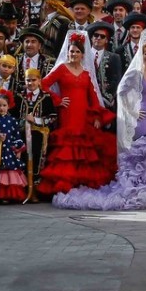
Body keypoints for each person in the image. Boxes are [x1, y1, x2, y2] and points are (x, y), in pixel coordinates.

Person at [56, 36, 146, 210]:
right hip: (141, 120)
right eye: (145, 53)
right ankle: (137, 191)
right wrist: (132, 111)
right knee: (142, 155)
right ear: (141, 55)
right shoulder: (135, 73)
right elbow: (121, 92)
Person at [35, 32, 115, 194]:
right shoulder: (61, 69)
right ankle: (66, 183)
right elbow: (43, 84)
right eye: (71, 51)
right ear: (67, 52)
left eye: (77, 52)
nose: (74, 54)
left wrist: (97, 116)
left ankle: (80, 183)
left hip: (83, 114)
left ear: (83, 55)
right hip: (67, 113)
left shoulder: (86, 73)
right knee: (67, 148)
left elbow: (93, 96)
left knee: (84, 149)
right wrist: (57, 100)